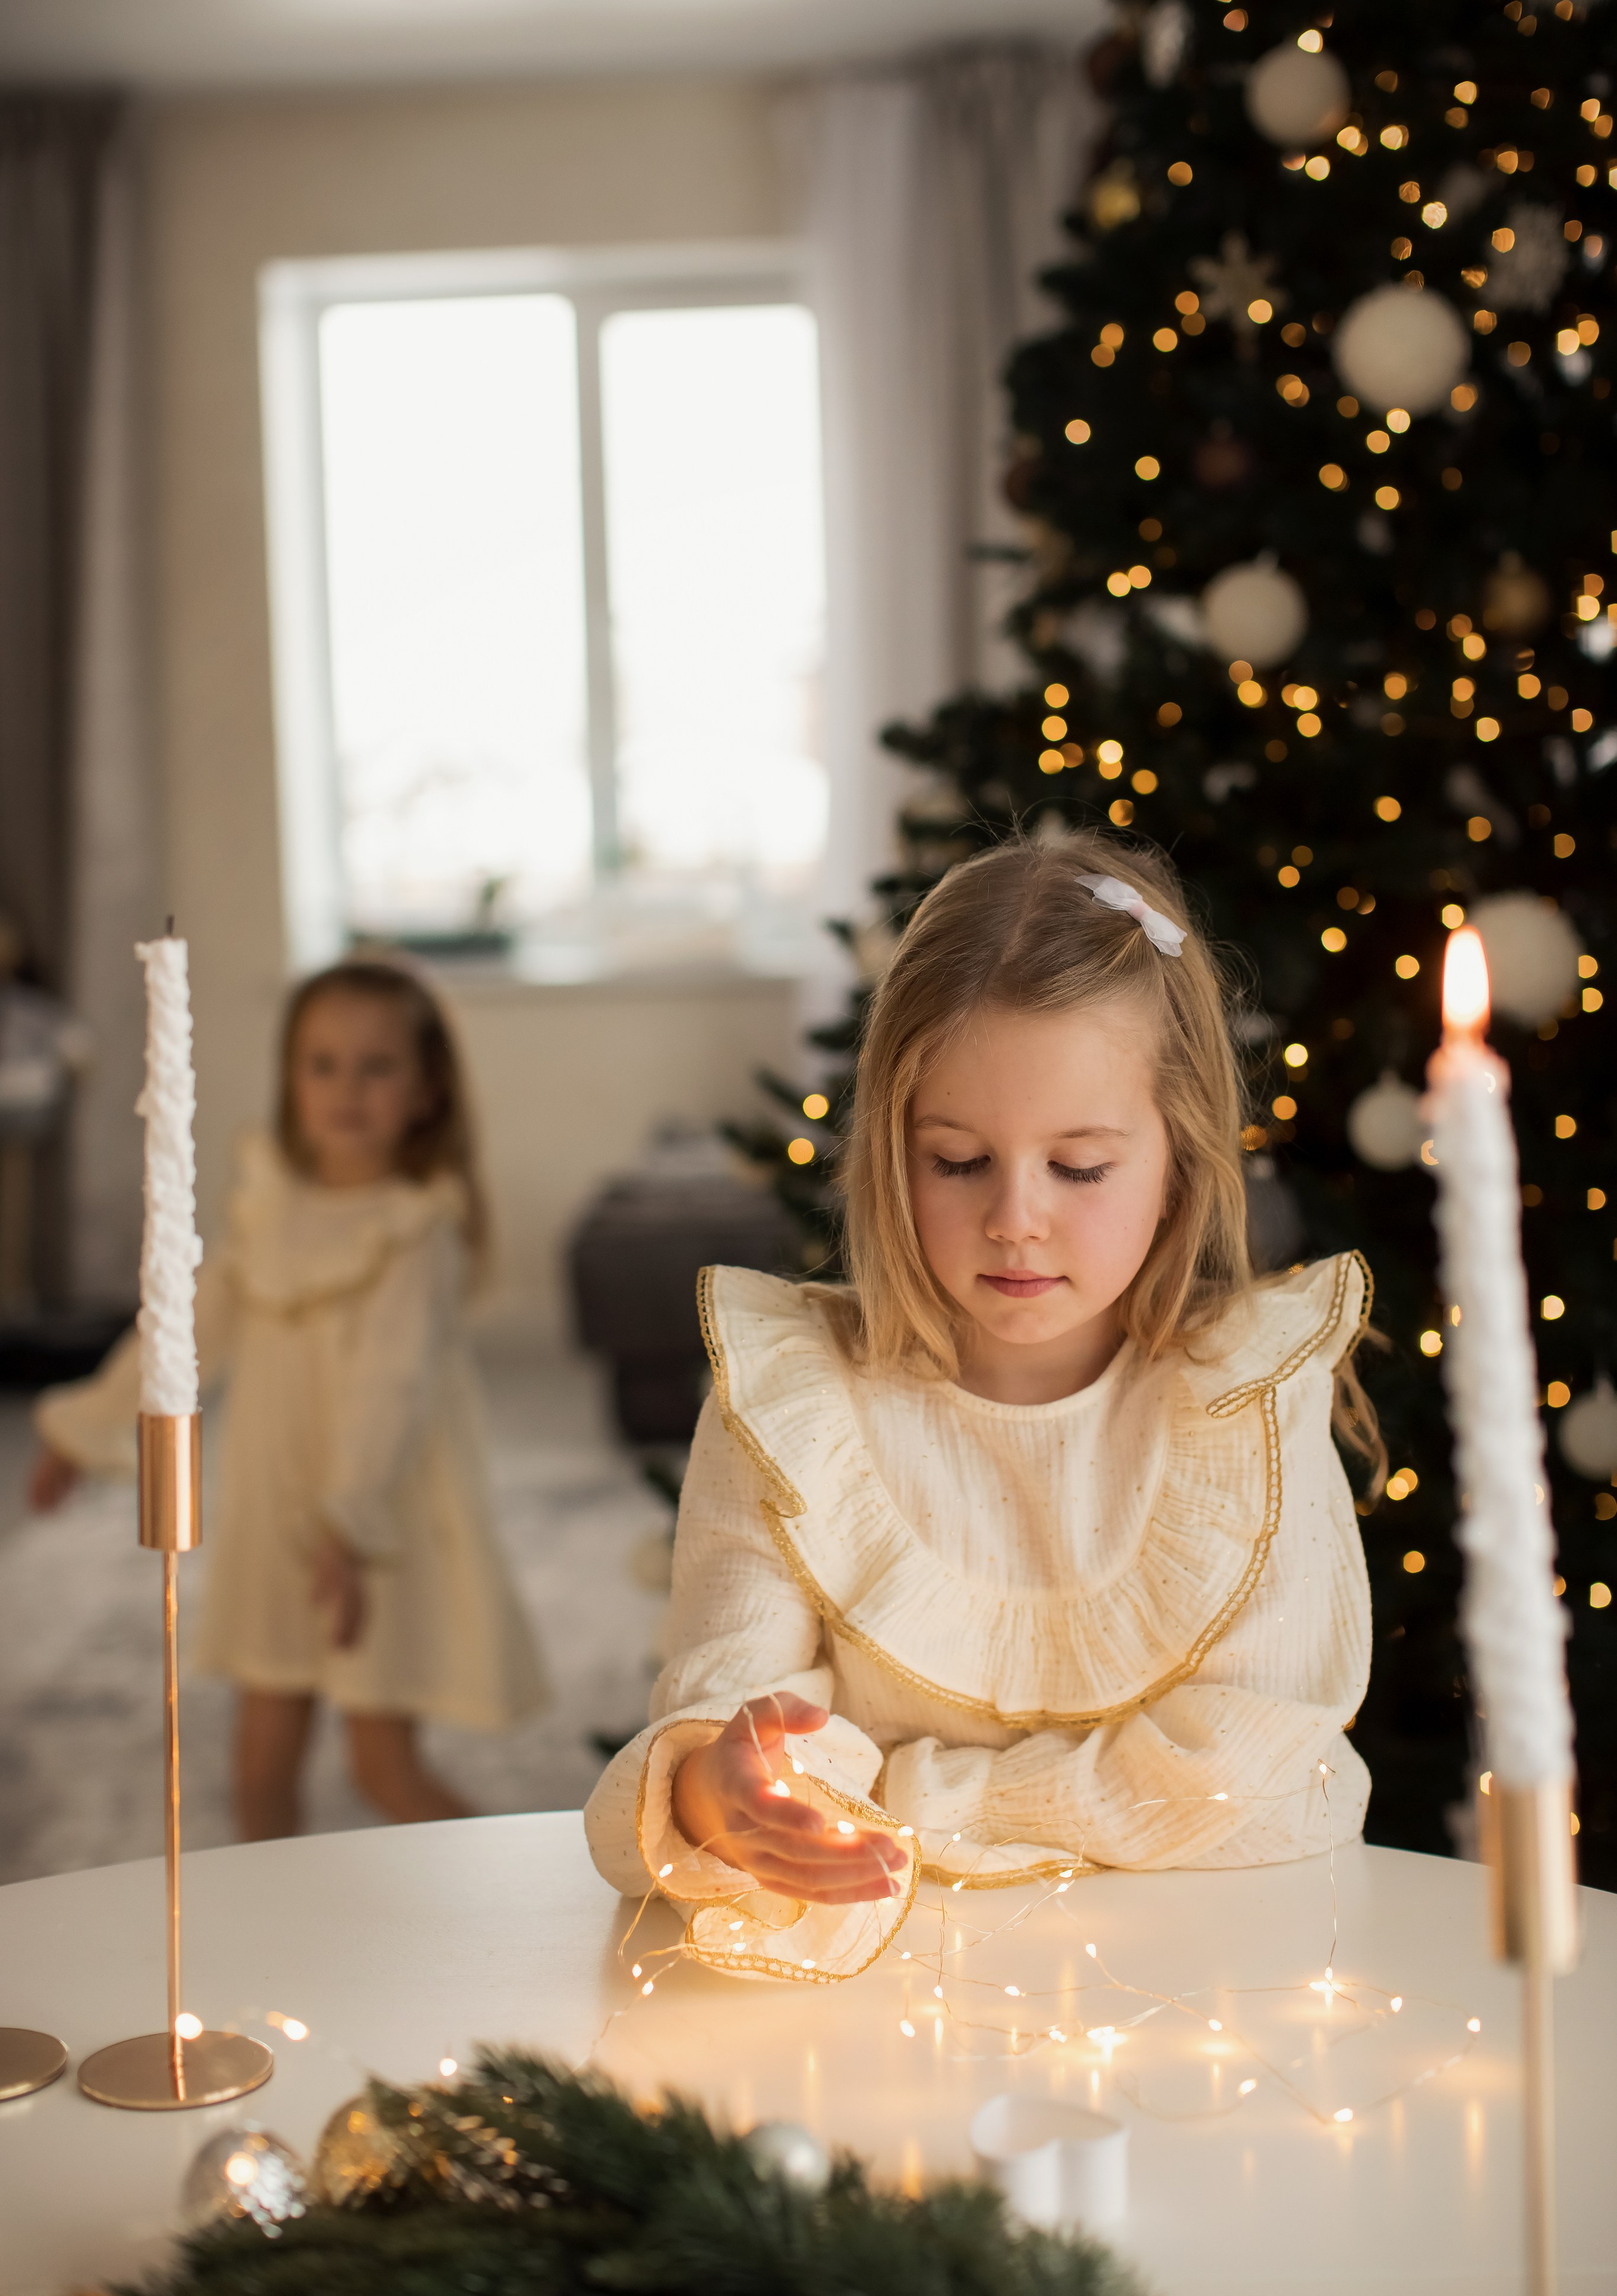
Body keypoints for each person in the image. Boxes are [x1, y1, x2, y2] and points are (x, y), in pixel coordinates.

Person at [585, 833, 1378, 1982]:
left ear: (1181, 1156)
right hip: (886, 1998)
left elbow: (1261, 1783)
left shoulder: (1249, 1401)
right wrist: (713, 1791)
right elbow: (732, 1721)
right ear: (889, 1152)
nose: (1016, 1218)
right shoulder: (790, 1401)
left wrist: (903, 1793)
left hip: (1215, 1989)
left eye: (1081, 1167)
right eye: (957, 1161)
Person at [30, 958, 546, 1839]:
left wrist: (348, 1528)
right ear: (292, 1079)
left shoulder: (416, 1231)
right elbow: (184, 1329)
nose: (348, 1087)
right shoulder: (270, 1207)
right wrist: (87, 1426)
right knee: (257, 1766)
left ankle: (539, 1897)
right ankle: (267, 1944)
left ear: (427, 1093)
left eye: (377, 1067)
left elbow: (393, 1390)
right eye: (323, 1064)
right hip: (273, 1533)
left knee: (384, 1769)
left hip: (368, 1533)